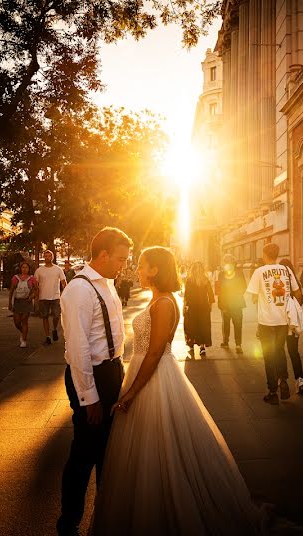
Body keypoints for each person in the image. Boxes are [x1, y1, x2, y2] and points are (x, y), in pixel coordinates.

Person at [91, 246, 264, 535]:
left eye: (142, 265)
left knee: (161, 447)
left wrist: (131, 392)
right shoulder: (157, 300)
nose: (137, 270)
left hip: (155, 377)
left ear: (156, 269)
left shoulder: (164, 304)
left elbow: (156, 351)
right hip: (146, 372)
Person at [55, 228, 131, 536]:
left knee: (108, 450)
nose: (123, 265)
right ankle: (69, 522)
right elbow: (78, 348)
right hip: (91, 377)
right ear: (102, 255)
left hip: (111, 373)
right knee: (84, 452)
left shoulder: (108, 285)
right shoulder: (79, 290)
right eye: (120, 259)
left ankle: (105, 516)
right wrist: (90, 398)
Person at [246, 242, 302, 404]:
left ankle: (272, 391)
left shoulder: (259, 271)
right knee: (279, 350)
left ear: (264, 255)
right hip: (283, 320)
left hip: (266, 321)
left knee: (268, 354)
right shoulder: (286, 270)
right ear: (277, 255)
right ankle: (283, 380)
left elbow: (254, 297)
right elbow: (297, 294)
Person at [279, 258, 303, 395]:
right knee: (294, 352)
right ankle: (300, 379)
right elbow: (302, 302)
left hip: (280, 322)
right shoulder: (298, 285)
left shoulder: (278, 285)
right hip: (293, 323)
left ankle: (282, 378)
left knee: (279, 350)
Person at [216, 254, 247, 354]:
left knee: (237, 324)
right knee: (226, 324)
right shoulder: (221, 274)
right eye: (226, 262)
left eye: (230, 262)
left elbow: (243, 286)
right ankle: (226, 342)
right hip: (225, 303)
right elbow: (218, 289)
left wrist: (237, 294)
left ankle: (238, 345)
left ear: (233, 263)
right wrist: (220, 303)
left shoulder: (239, 273)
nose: (228, 264)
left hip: (236, 303)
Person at [35, 250, 67, 346]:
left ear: (52, 257)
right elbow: (35, 285)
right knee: (45, 317)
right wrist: (36, 297)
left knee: (56, 315)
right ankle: (47, 336)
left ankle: (54, 329)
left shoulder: (58, 269)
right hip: (43, 297)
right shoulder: (39, 270)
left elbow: (64, 282)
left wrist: (67, 293)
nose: (47, 257)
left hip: (55, 296)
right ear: (44, 257)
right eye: (46, 256)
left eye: (49, 256)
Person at [183, 261, 214, 358]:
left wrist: (184, 305)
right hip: (204, 307)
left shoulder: (189, 280)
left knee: (191, 326)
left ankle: (191, 345)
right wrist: (210, 306)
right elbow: (210, 294)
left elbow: (186, 295)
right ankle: (202, 347)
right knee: (203, 327)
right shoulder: (205, 280)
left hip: (192, 307)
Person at [8, 260, 37, 348]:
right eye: (23, 267)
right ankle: (22, 331)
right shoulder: (15, 278)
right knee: (16, 321)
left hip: (26, 302)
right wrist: (9, 302)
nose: (25, 269)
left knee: (24, 320)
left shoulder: (32, 278)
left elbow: (36, 290)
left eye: (26, 267)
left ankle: (24, 340)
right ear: (20, 268)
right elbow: (11, 290)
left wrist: (32, 296)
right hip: (17, 301)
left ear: (29, 269)